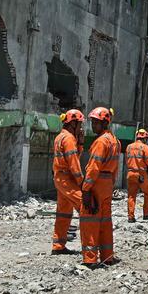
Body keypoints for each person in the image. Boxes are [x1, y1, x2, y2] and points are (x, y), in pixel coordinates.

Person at [80, 106, 120, 269]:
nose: (93, 125)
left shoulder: (101, 141)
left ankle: (90, 258)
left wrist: (86, 189)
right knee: (105, 221)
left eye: (96, 123)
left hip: (96, 182)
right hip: (107, 182)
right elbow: (115, 167)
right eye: (92, 122)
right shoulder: (114, 140)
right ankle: (107, 256)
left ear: (105, 123)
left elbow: (94, 167)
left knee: (90, 219)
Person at [51, 109, 85, 255]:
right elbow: (74, 163)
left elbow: (74, 155)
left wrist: (81, 143)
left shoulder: (61, 137)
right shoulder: (69, 139)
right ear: (73, 123)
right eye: (80, 124)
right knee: (85, 206)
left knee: (63, 213)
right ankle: (90, 245)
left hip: (60, 178)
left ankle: (58, 246)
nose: (81, 128)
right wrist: (82, 183)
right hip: (67, 179)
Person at [125, 128, 148, 222]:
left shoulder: (129, 146)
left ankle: (130, 217)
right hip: (141, 174)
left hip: (130, 173)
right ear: (145, 138)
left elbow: (126, 160)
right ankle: (146, 214)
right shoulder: (144, 147)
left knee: (131, 195)